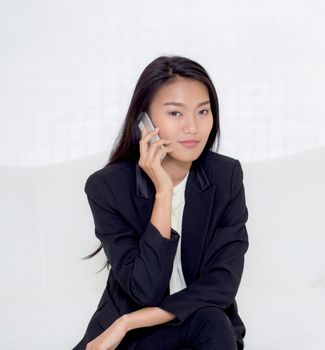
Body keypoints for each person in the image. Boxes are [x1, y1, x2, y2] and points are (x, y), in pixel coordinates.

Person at [73, 55, 249, 350]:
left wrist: (128, 321)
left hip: (200, 334)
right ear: (144, 120)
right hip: (129, 343)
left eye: (203, 111)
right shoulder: (107, 188)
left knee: (211, 318)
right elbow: (145, 289)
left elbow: (221, 285)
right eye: (176, 114)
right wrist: (163, 193)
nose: (193, 127)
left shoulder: (225, 177)